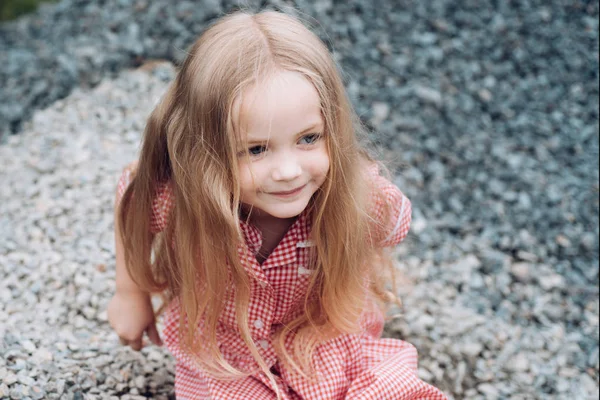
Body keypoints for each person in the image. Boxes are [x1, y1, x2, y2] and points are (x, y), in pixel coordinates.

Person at [107, 9, 448, 400]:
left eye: (308, 139)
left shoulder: (352, 198)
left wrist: (364, 192)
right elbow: (131, 196)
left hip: (330, 342)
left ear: (332, 129)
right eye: (256, 149)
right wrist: (129, 293)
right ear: (205, 152)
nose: (288, 171)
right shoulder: (180, 199)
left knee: (394, 389)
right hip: (225, 358)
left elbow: (396, 223)